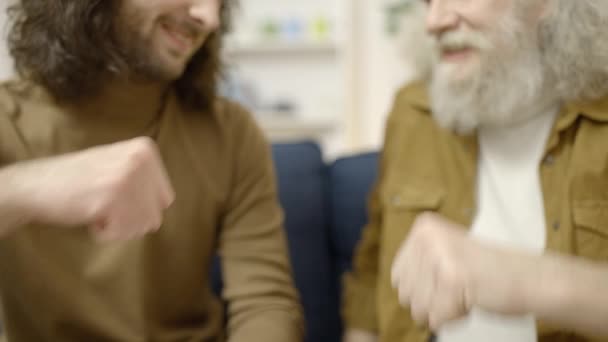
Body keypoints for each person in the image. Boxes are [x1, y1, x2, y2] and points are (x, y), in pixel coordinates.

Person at [0, 0, 303, 340]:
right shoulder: (7, 120)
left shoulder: (232, 131)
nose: (209, 18)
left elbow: (264, 302)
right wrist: (29, 189)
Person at [343, 0, 608, 341]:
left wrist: (529, 279)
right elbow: (371, 276)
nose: (434, 21)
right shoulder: (413, 110)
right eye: (427, 2)